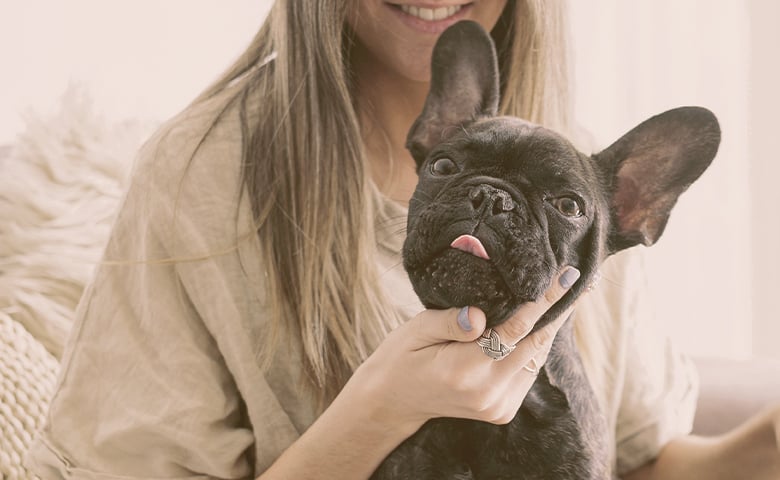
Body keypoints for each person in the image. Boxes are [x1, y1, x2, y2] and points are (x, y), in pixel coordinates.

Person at [26, 1, 780, 479]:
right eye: (451, 168)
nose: (490, 203)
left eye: (546, 203)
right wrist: (379, 412)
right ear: (432, 138)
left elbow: (644, 461)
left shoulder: (580, 197)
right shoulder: (201, 176)